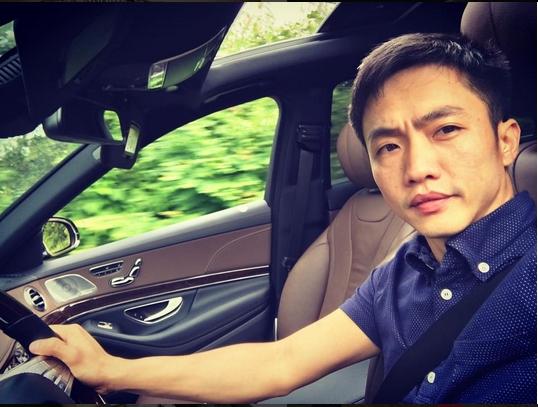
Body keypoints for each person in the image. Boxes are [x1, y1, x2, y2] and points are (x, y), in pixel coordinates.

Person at [29, 32, 536, 403]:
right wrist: (111, 371)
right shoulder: (405, 269)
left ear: (505, 141)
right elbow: (282, 362)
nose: (417, 168)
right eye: (388, 146)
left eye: (446, 130)